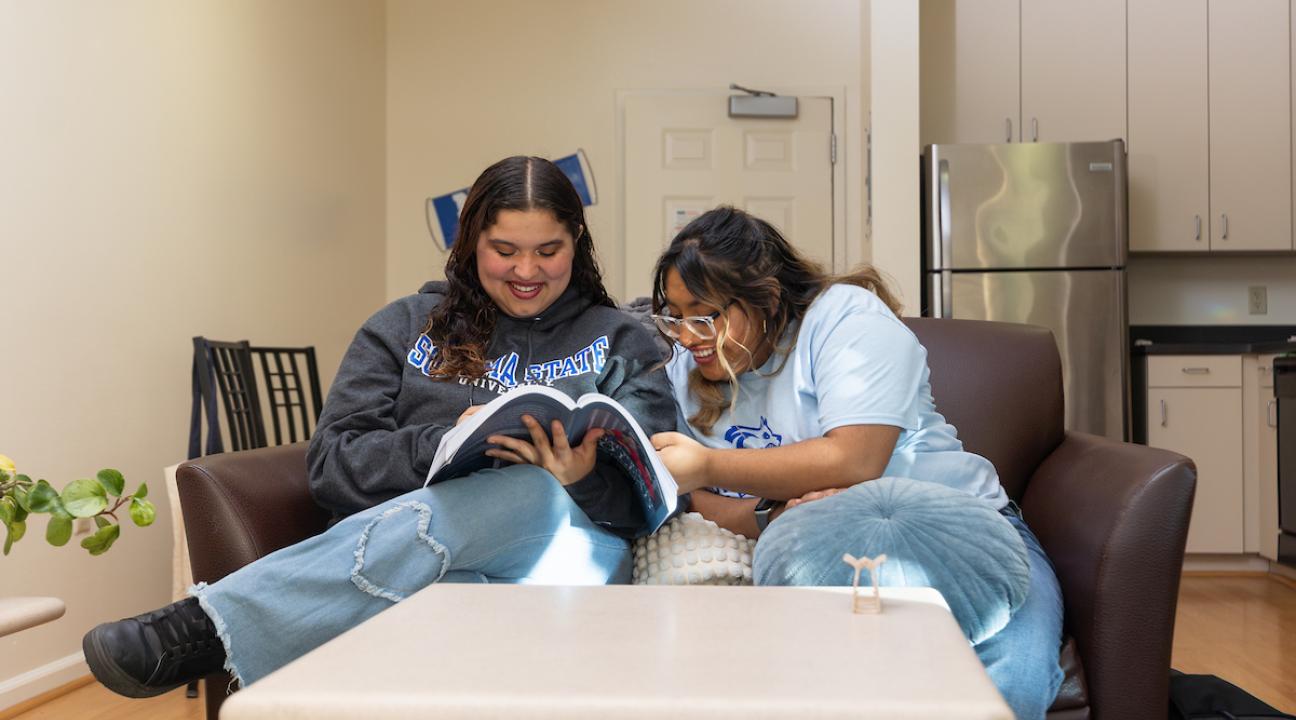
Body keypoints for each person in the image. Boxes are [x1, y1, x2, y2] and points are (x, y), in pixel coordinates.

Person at [82, 156, 676, 697]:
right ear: (470, 244)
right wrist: (439, 446)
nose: (527, 270)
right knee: (454, 599)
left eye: (548, 250)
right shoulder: (403, 325)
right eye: (504, 249)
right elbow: (332, 466)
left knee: (527, 488)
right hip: (429, 565)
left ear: (577, 243)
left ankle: (207, 626)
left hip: (572, 555)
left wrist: (579, 481)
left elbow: (657, 494)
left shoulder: (622, 339)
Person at [647, 207, 1064, 719]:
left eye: (706, 315)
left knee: (1010, 685)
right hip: (825, 555)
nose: (688, 336)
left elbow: (856, 457)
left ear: (767, 297)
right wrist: (772, 515)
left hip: (963, 531)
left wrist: (710, 465)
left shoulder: (843, 317)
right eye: (675, 315)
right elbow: (696, 499)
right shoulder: (685, 370)